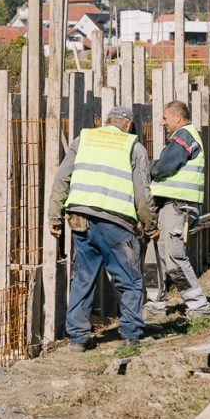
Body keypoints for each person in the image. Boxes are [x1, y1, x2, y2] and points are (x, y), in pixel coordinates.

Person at [48, 105, 157, 351]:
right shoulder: (133, 146)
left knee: (83, 279)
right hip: (115, 223)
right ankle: (131, 335)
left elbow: (61, 179)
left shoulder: (83, 139)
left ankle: (78, 338)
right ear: (128, 124)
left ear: (105, 122)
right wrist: (150, 225)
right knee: (129, 281)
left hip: (80, 219)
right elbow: (142, 193)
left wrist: (54, 217)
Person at [145, 101, 210, 319]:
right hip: (169, 205)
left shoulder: (183, 136)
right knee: (155, 256)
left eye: (165, 118)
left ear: (177, 117)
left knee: (174, 257)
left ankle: (198, 306)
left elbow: (165, 166)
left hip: (178, 206)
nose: (163, 123)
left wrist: (147, 167)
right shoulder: (186, 135)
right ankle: (154, 305)